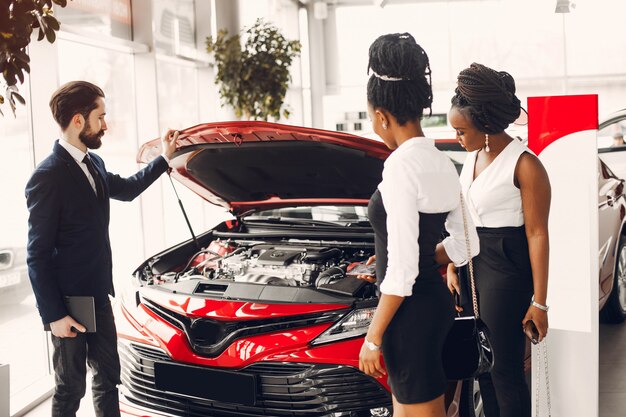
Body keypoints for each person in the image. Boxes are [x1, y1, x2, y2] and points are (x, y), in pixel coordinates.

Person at [25, 80, 180, 417]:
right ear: (78, 120)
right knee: (71, 388)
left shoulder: (93, 163)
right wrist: (54, 316)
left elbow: (126, 189)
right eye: (101, 116)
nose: (106, 125)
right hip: (68, 304)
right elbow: (36, 255)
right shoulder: (47, 176)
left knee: (109, 377)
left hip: (98, 294)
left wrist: (164, 159)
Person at [358, 33, 479, 417]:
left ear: (380, 115)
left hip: (407, 318)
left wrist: (373, 338)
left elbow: (403, 272)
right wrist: (429, 256)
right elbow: (466, 244)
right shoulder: (442, 162)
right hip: (436, 308)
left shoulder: (398, 168)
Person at [446, 63, 551, 417]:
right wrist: (452, 263)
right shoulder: (470, 158)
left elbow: (537, 234)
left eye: (461, 130)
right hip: (471, 269)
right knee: (481, 367)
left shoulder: (525, 165)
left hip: (505, 270)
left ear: (485, 125)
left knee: (504, 370)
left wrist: (540, 303)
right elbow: (463, 218)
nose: (457, 138)